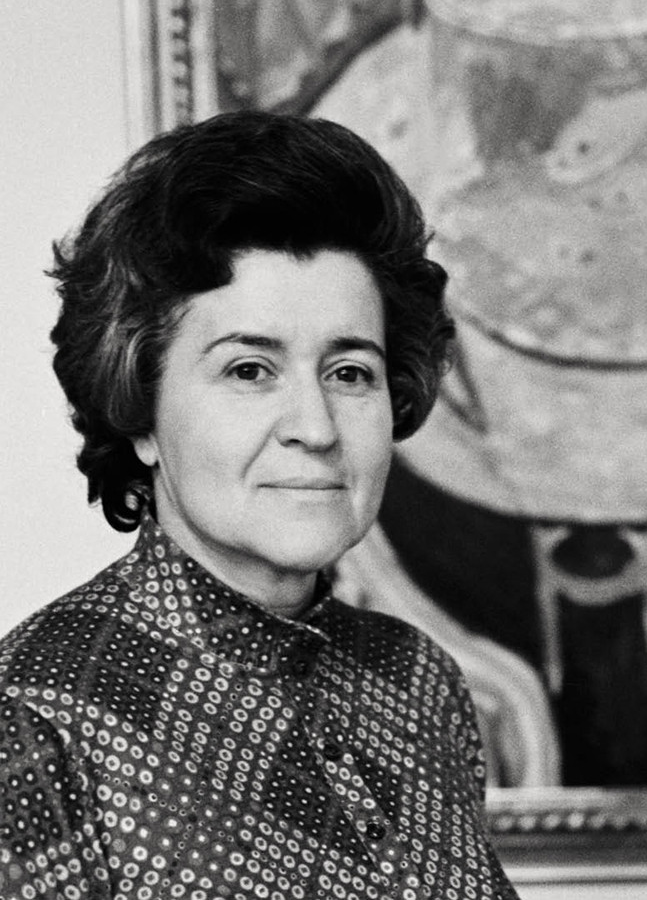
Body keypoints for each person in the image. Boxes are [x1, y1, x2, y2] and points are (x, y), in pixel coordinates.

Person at [0, 112, 519, 899]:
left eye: (349, 372)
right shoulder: (33, 716)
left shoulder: (419, 681)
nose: (316, 427)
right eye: (249, 370)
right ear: (138, 408)